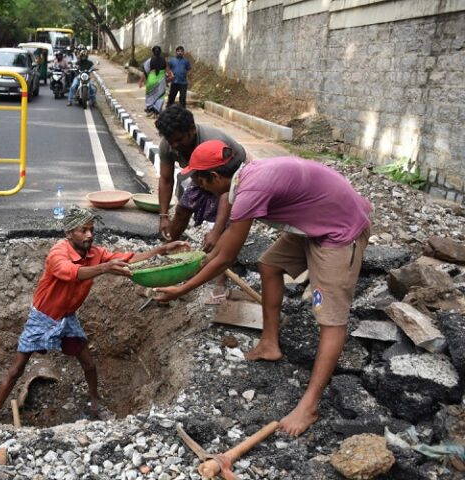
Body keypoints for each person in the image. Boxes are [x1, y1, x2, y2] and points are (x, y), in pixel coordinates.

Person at [154, 141, 372, 437]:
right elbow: (220, 251)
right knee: (269, 265)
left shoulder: (249, 191)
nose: (197, 186)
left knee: (330, 317)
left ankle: (309, 404)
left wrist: (181, 289)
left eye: (198, 180)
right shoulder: (243, 177)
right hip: (315, 217)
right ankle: (270, 343)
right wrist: (191, 269)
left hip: (339, 229)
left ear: (214, 178)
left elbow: (226, 258)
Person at [0, 206, 189, 424]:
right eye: (83, 230)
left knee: (89, 364)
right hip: (43, 317)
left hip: (68, 317)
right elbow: (71, 273)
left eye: (91, 229)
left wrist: (161, 250)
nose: (90, 235)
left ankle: (95, 403)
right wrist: (104, 268)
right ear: (69, 233)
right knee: (17, 368)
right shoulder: (58, 253)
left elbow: (127, 258)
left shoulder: (95, 253)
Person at [155, 105, 247, 303]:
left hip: (231, 180)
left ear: (192, 130)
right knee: (181, 210)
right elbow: (166, 179)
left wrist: (216, 230)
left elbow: (224, 191)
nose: (175, 145)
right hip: (202, 177)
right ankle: (165, 254)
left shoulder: (213, 144)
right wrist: (163, 216)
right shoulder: (169, 144)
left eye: (179, 140)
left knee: (225, 231)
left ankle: (220, 284)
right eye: (171, 141)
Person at [138, 46, 168, 117]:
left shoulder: (149, 61)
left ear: (153, 52)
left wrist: (141, 81)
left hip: (152, 79)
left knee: (150, 95)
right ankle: (156, 111)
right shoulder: (164, 60)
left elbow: (145, 73)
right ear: (160, 52)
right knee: (160, 96)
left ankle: (150, 110)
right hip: (161, 81)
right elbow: (168, 71)